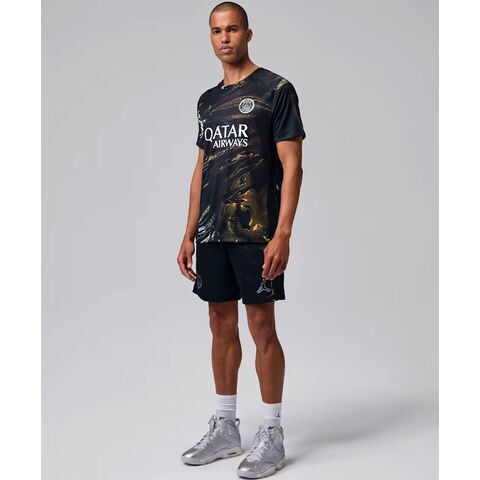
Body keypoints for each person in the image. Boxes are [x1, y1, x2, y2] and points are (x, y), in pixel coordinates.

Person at [176, 2, 306, 477]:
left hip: (256, 232)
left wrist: (283, 232)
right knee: (219, 324)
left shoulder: (276, 90)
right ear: (210, 37)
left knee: (262, 327)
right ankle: (226, 427)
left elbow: (292, 165)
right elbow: (201, 168)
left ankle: (271, 433)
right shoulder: (208, 101)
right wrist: (189, 231)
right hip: (213, 231)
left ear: (248, 34)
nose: (224, 38)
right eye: (216, 31)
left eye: (232, 29)